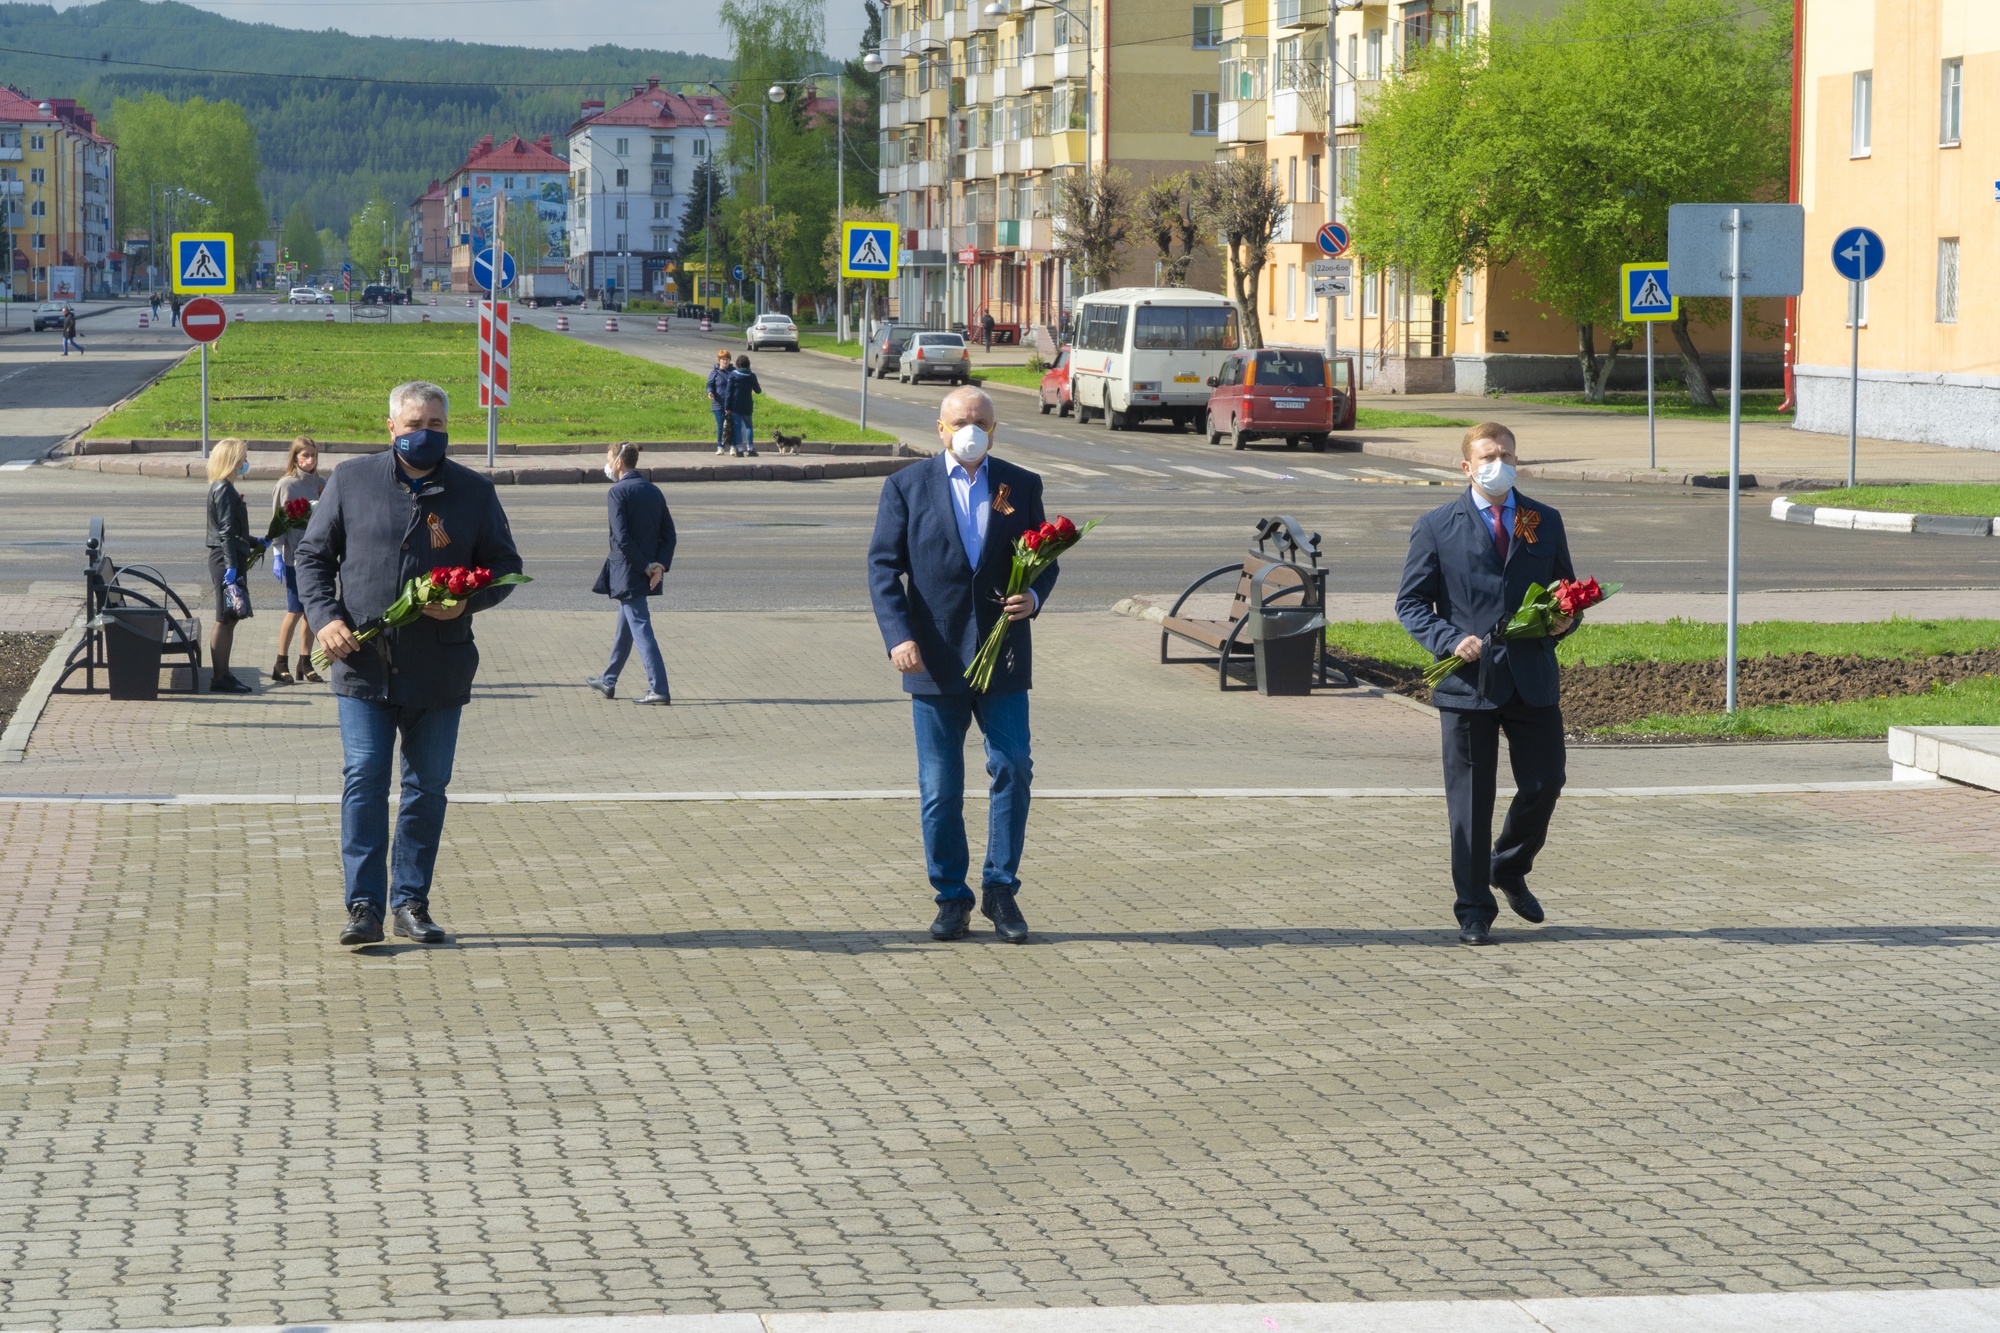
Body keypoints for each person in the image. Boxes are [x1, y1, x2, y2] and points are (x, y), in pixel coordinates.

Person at [294, 380, 525, 949]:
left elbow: (505, 565)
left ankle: (411, 902)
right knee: (365, 778)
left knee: (427, 787)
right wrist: (325, 618)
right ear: (392, 427)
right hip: (362, 665)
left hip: (439, 669)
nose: (427, 435)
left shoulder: (472, 491)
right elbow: (312, 557)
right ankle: (365, 905)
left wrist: (470, 599)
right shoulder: (351, 480)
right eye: (416, 425)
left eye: (438, 427)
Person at [867, 385, 1058, 944]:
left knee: (1013, 766)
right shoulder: (906, 486)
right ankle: (952, 896)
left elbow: (1042, 558)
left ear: (993, 429)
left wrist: (1036, 596)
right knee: (940, 789)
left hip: (1003, 656)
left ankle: (1001, 889)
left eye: (981, 421)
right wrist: (898, 637)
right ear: (941, 428)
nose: (970, 429)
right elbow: (883, 568)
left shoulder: (1019, 485)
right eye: (960, 420)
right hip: (934, 658)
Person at [1396, 421, 1577, 947]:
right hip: (1469, 683)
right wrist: (1448, 639)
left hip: (1531, 677)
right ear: (1467, 466)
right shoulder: (1436, 525)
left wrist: (1566, 619)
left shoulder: (1542, 520)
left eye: (1507, 454)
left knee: (1546, 782)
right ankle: (1474, 909)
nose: (1500, 462)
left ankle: (1509, 864)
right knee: (1470, 805)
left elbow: (1565, 592)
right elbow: (1410, 603)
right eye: (1489, 455)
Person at [584, 443, 677, 706]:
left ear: (619, 462)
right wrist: (660, 565)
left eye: (608, 459)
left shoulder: (617, 493)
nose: (607, 465)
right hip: (645, 571)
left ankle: (658, 688)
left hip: (629, 570)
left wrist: (647, 566)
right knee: (625, 627)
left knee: (640, 628)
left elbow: (622, 538)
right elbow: (669, 535)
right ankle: (608, 680)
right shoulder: (653, 491)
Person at [269, 437, 327, 685]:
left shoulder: (321, 483)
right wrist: (277, 556)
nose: (310, 460)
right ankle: (280, 661)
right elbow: (278, 523)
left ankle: (305, 662)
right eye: (305, 456)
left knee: (311, 613)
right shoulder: (287, 485)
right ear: (295, 458)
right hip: (294, 558)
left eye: (313, 455)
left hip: (317, 556)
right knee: (294, 610)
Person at [204, 437, 259, 693]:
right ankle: (219, 677)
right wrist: (231, 566)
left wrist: (255, 541)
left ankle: (224, 673)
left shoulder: (223, 487)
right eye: (243, 458)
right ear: (232, 460)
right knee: (224, 618)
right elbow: (225, 531)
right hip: (225, 558)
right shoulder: (223, 488)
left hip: (229, 555)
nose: (245, 462)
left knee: (231, 618)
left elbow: (231, 529)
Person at [728, 353, 762, 458]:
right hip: (747, 405)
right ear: (748, 364)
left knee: (738, 427)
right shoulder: (751, 375)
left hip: (735, 405)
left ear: (737, 364)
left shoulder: (733, 375)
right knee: (748, 427)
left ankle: (740, 450)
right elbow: (758, 391)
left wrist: (726, 406)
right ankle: (750, 449)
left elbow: (728, 392)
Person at [705, 349, 734, 456]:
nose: (725, 362)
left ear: (730, 360)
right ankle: (720, 447)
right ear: (719, 360)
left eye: (726, 359)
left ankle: (732, 447)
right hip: (718, 404)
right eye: (722, 359)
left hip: (731, 404)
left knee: (732, 426)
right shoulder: (714, 372)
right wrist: (710, 392)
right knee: (721, 426)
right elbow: (709, 385)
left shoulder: (733, 372)